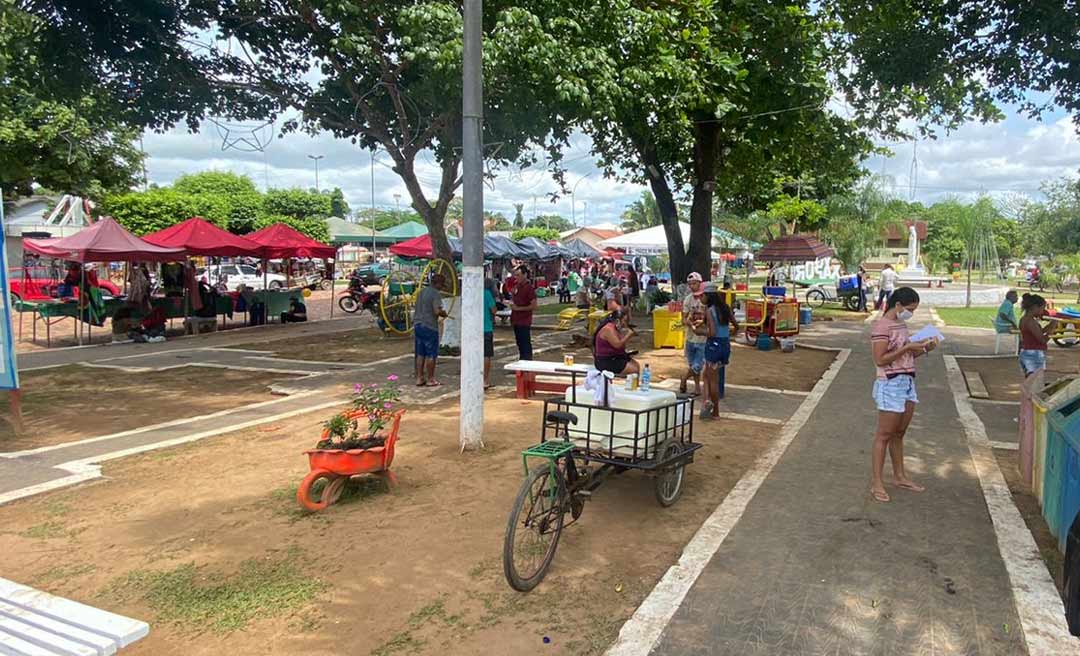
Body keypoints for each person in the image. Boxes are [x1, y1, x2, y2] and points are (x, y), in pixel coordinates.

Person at [869, 287, 937, 502]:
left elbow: (906, 355)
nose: (911, 313)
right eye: (909, 309)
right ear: (897, 305)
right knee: (884, 435)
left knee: (899, 433)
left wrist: (925, 348)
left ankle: (900, 476)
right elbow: (880, 359)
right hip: (890, 384)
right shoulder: (882, 326)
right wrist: (908, 348)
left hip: (906, 381)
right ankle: (877, 483)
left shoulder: (901, 324)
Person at [700, 283, 739, 419]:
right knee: (706, 375)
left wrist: (698, 332)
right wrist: (729, 334)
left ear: (708, 296)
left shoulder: (710, 311)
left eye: (702, 295)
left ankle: (715, 411)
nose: (701, 298)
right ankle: (706, 402)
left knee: (712, 380)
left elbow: (712, 332)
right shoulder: (725, 308)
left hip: (713, 345)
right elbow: (736, 325)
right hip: (724, 345)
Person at [414, 273, 448, 386]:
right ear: (437, 283)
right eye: (441, 285)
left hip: (418, 325)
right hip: (429, 326)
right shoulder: (435, 294)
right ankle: (430, 379)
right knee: (431, 354)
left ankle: (419, 378)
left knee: (420, 353)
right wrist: (444, 314)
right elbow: (437, 311)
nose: (441, 287)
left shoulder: (421, 292)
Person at [679, 272, 707, 395]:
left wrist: (703, 322)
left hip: (703, 338)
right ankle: (696, 387)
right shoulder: (688, 299)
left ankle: (684, 378)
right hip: (691, 336)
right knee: (692, 364)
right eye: (690, 284)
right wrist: (690, 324)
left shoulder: (706, 299)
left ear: (700, 283)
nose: (692, 286)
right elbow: (683, 318)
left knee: (697, 365)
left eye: (694, 283)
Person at [593, 309, 641, 376]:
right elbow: (617, 345)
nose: (625, 323)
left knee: (636, 366)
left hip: (615, 357)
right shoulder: (608, 329)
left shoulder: (616, 329)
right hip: (606, 361)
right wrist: (628, 335)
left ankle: (631, 384)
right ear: (618, 320)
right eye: (624, 321)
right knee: (634, 369)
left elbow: (621, 345)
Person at [509, 265, 537, 360]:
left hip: (524, 321)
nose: (517, 277)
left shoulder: (529, 288)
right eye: (515, 275)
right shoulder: (516, 287)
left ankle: (527, 362)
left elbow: (534, 305)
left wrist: (519, 308)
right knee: (519, 343)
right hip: (516, 320)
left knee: (525, 344)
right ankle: (522, 362)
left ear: (525, 275)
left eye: (519, 275)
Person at [483, 278, 497, 389]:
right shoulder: (487, 294)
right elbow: (493, 310)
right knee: (486, 355)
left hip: (473, 329)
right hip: (486, 328)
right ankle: (485, 380)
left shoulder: (472, 292)